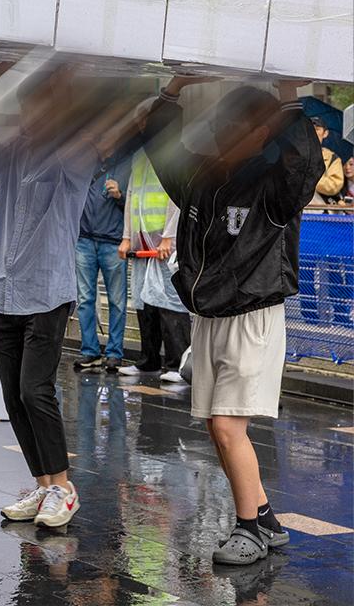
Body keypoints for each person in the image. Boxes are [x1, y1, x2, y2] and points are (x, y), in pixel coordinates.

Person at [142, 77, 322, 566]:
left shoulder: (275, 186)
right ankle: (264, 519)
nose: (221, 133)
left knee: (226, 425)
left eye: (234, 126)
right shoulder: (202, 176)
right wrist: (173, 90)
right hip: (208, 315)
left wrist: (289, 99)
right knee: (216, 426)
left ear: (262, 132)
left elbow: (305, 163)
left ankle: (249, 530)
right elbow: (160, 145)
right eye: (219, 124)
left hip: (252, 316)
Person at [0, 63, 103, 530]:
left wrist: (64, 91)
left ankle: (63, 488)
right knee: (14, 396)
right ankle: (43, 483)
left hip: (46, 289)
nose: (31, 114)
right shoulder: (13, 150)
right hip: (2, 287)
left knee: (36, 390)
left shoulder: (75, 152)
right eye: (28, 105)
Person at [117, 100, 191, 383]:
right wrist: (127, 237)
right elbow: (133, 195)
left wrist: (170, 236)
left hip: (164, 242)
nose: (141, 126)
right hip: (143, 241)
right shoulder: (141, 155)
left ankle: (176, 364)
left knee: (169, 303)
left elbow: (177, 199)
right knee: (143, 301)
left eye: (144, 120)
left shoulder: (174, 153)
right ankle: (149, 360)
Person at [72, 141, 133, 373]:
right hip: (84, 239)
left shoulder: (127, 163)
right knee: (85, 299)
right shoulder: (84, 163)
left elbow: (134, 203)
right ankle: (90, 351)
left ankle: (114, 353)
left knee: (117, 301)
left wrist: (120, 195)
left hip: (113, 241)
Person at [309, 117, 345, 205]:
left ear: (325, 133)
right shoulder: (295, 155)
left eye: (317, 129)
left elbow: (334, 185)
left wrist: (310, 179)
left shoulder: (333, 158)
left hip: (321, 208)